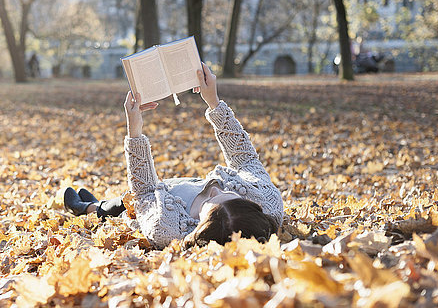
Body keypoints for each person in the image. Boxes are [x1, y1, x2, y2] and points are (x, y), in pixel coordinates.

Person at [64, 63, 283, 249]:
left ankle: (90, 208)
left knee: (125, 203)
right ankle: (96, 204)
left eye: (211, 198)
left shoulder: (166, 226)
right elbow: (245, 158)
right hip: (185, 187)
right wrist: (214, 102)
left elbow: (144, 191)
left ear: (199, 225)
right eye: (227, 194)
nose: (215, 187)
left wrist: (135, 130)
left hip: (164, 196)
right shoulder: (268, 203)